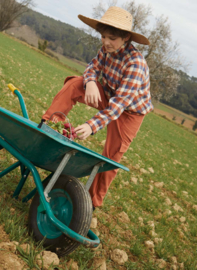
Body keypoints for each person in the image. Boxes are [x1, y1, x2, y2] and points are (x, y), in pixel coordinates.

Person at [40, 6, 153, 209]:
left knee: (110, 158)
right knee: (76, 83)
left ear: (126, 37)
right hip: (108, 95)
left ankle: (91, 202)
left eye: (112, 38)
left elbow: (118, 106)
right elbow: (92, 67)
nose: (106, 42)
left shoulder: (135, 64)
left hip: (128, 112)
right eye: (103, 37)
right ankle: (48, 126)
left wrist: (92, 126)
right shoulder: (106, 49)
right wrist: (90, 81)